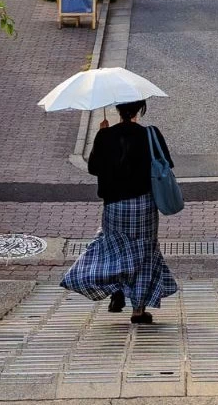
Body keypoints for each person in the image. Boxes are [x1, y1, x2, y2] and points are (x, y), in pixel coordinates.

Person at [62, 100, 178, 324]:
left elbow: (94, 168)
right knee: (144, 254)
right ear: (140, 109)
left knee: (115, 249)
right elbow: (166, 164)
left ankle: (116, 291)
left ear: (117, 110)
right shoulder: (150, 134)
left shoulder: (105, 136)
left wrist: (101, 136)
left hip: (114, 205)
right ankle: (138, 310)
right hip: (144, 204)